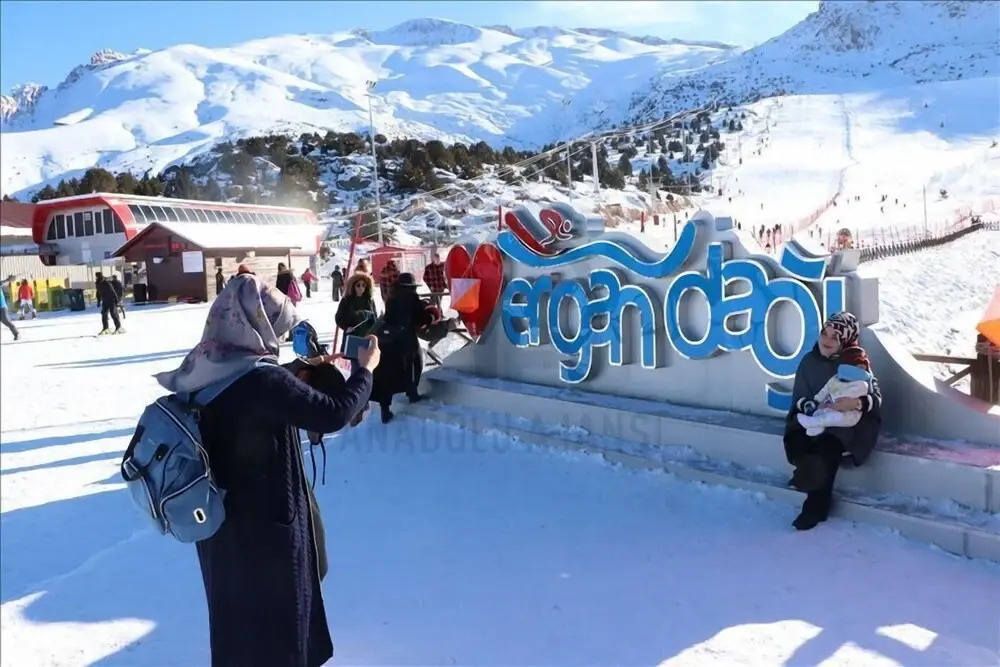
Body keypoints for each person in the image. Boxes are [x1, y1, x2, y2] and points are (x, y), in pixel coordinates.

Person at [154, 272, 379, 667]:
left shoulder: (202, 367)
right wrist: (365, 371)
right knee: (280, 630)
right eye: (277, 327)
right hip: (267, 532)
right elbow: (333, 413)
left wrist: (302, 369)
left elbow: (243, 399)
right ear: (257, 325)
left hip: (218, 526)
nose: (280, 336)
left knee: (236, 624)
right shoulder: (262, 380)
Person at [784, 312, 882, 531]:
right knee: (798, 440)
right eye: (824, 334)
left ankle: (814, 510)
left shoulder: (855, 363)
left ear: (845, 340)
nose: (827, 340)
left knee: (826, 450)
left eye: (835, 337)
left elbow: (875, 396)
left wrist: (856, 402)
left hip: (842, 425)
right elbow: (800, 396)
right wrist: (813, 407)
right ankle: (805, 473)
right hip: (814, 416)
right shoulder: (809, 362)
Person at [371, 273, 433, 423]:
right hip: (405, 339)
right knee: (414, 364)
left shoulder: (391, 297)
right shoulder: (412, 298)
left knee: (387, 374)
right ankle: (412, 393)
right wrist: (431, 316)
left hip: (388, 340)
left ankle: (385, 409)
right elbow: (420, 318)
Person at [795, 347, 872, 436]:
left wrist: (837, 404)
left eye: (862, 367)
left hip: (848, 415)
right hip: (829, 406)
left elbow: (848, 400)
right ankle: (816, 427)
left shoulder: (861, 384)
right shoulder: (835, 379)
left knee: (832, 416)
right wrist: (817, 400)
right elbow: (825, 390)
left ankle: (812, 422)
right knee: (820, 413)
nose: (861, 369)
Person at [335, 272, 378, 340]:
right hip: (352, 335)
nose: (361, 288)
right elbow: (339, 317)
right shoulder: (346, 300)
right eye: (358, 285)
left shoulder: (369, 300)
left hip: (367, 335)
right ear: (353, 286)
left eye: (363, 285)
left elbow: (374, 317)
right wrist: (346, 328)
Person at [0, 275, 19, 340]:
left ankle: (16, 333)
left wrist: (8, 279)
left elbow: (2, 282)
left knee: (6, 321)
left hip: (2, 307)